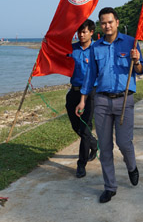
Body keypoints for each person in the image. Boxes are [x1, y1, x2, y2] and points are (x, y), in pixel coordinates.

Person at [76, 7, 143, 204]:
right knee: (104, 147)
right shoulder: (95, 47)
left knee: (124, 143)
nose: (107, 26)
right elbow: (89, 77)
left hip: (124, 100)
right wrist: (82, 99)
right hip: (102, 101)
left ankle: (131, 167)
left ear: (116, 22)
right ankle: (110, 187)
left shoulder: (131, 42)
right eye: (103, 23)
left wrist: (137, 60)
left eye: (110, 22)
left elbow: (140, 70)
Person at [65, 19, 98, 178]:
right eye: (79, 32)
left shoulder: (97, 49)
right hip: (74, 91)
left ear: (91, 32)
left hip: (91, 93)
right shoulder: (72, 48)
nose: (81, 35)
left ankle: (81, 164)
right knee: (76, 126)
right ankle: (94, 143)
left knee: (85, 129)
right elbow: (57, 57)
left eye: (84, 32)